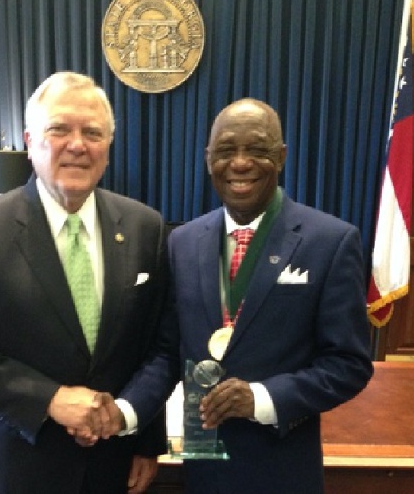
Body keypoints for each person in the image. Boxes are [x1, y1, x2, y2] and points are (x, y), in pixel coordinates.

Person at [113, 98, 374, 493]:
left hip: (282, 471)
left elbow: (349, 364)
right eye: (226, 151)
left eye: (257, 150)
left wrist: (262, 398)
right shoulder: (181, 243)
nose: (239, 163)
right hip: (203, 469)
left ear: (282, 156)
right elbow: (166, 352)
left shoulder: (331, 242)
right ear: (207, 159)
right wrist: (124, 415)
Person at [0, 71, 168, 493]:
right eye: (59, 128)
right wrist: (49, 399)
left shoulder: (144, 227)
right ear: (29, 140)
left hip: (113, 466)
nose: (77, 144)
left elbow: (157, 346)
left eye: (93, 132)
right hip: (19, 465)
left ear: (107, 149)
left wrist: (142, 435)